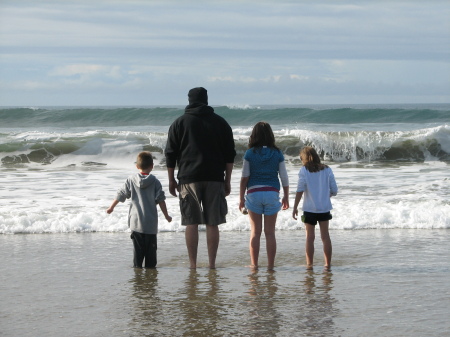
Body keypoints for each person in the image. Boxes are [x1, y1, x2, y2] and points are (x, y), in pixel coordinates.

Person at [165, 87, 236, 269]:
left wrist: (171, 179)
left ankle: (193, 265)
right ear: (206, 100)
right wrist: (227, 180)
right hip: (214, 177)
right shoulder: (220, 122)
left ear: (189, 101)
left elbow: (170, 154)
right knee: (213, 223)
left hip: (189, 178)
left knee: (191, 223)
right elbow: (230, 155)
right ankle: (212, 264)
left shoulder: (179, 123)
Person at [106, 151, 172, 268]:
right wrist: (166, 216)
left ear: (137, 166)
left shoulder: (131, 180)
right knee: (151, 257)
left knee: (138, 253)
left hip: (136, 224)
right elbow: (161, 200)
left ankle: (138, 275)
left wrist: (111, 207)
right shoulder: (155, 182)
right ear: (152, 166)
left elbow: (121, 194)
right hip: (150, 225)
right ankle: (150, 277)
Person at [239, 122, 289, 270]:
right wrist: (286, 196)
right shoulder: (277, 153)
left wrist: (241, 197)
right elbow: (284, 177)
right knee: (270, 233)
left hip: (254, 193)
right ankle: (270, 266)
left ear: (254, 135)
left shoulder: (250, 153)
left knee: (255, 232)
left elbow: (244, 178)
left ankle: (254, 265)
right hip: (272, 192)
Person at [292, 146, 338, 271]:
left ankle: (309, 265)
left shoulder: (304, 170)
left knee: (309, 237)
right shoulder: (327, 169)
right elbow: (334, 189)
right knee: (325, 236)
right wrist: (327, 194)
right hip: (324, 208)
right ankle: (327, 264)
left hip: (309, 208)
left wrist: (295, 207)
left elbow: (300, 189)